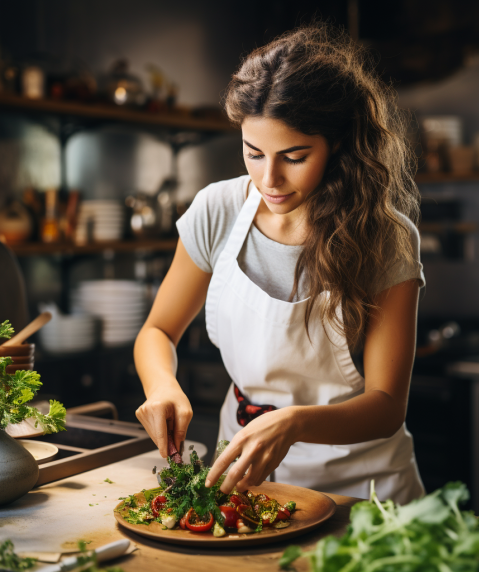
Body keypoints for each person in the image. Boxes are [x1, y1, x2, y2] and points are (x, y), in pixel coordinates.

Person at [134, 23, 425, 504]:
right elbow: (158, 332)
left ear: (340, 146)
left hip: (362, 486)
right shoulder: (218, 210)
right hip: (246, 478)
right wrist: (162, 385)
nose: (269, 178)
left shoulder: (386, 236)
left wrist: (292, 423)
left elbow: (387, 406)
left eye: (294, 156)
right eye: (253, 153)